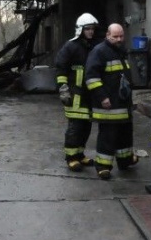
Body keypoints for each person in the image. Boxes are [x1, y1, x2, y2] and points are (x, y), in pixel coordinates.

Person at [84, 23, 137, 179]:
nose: (119, 39)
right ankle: (103, 166)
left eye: (121, 36)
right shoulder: (99, 51)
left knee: (125, 135)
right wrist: (102, 97)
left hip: (122, 104)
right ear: (107, 35)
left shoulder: (120, 51)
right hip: (108, 105)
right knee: (108, 136)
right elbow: (91, 78)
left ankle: (125, 161)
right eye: (115, 36)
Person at [54, 13, 99, 171]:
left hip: (89, 95)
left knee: (86, 128)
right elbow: (60, 67)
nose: (91, 32)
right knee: (75, 128)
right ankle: (71, 157)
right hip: (74, 94)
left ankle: (80, 155)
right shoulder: (70, 46)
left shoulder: (94, 46)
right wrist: (63, 88)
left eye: (92, 29)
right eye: (88, 29)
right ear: (81, 29)